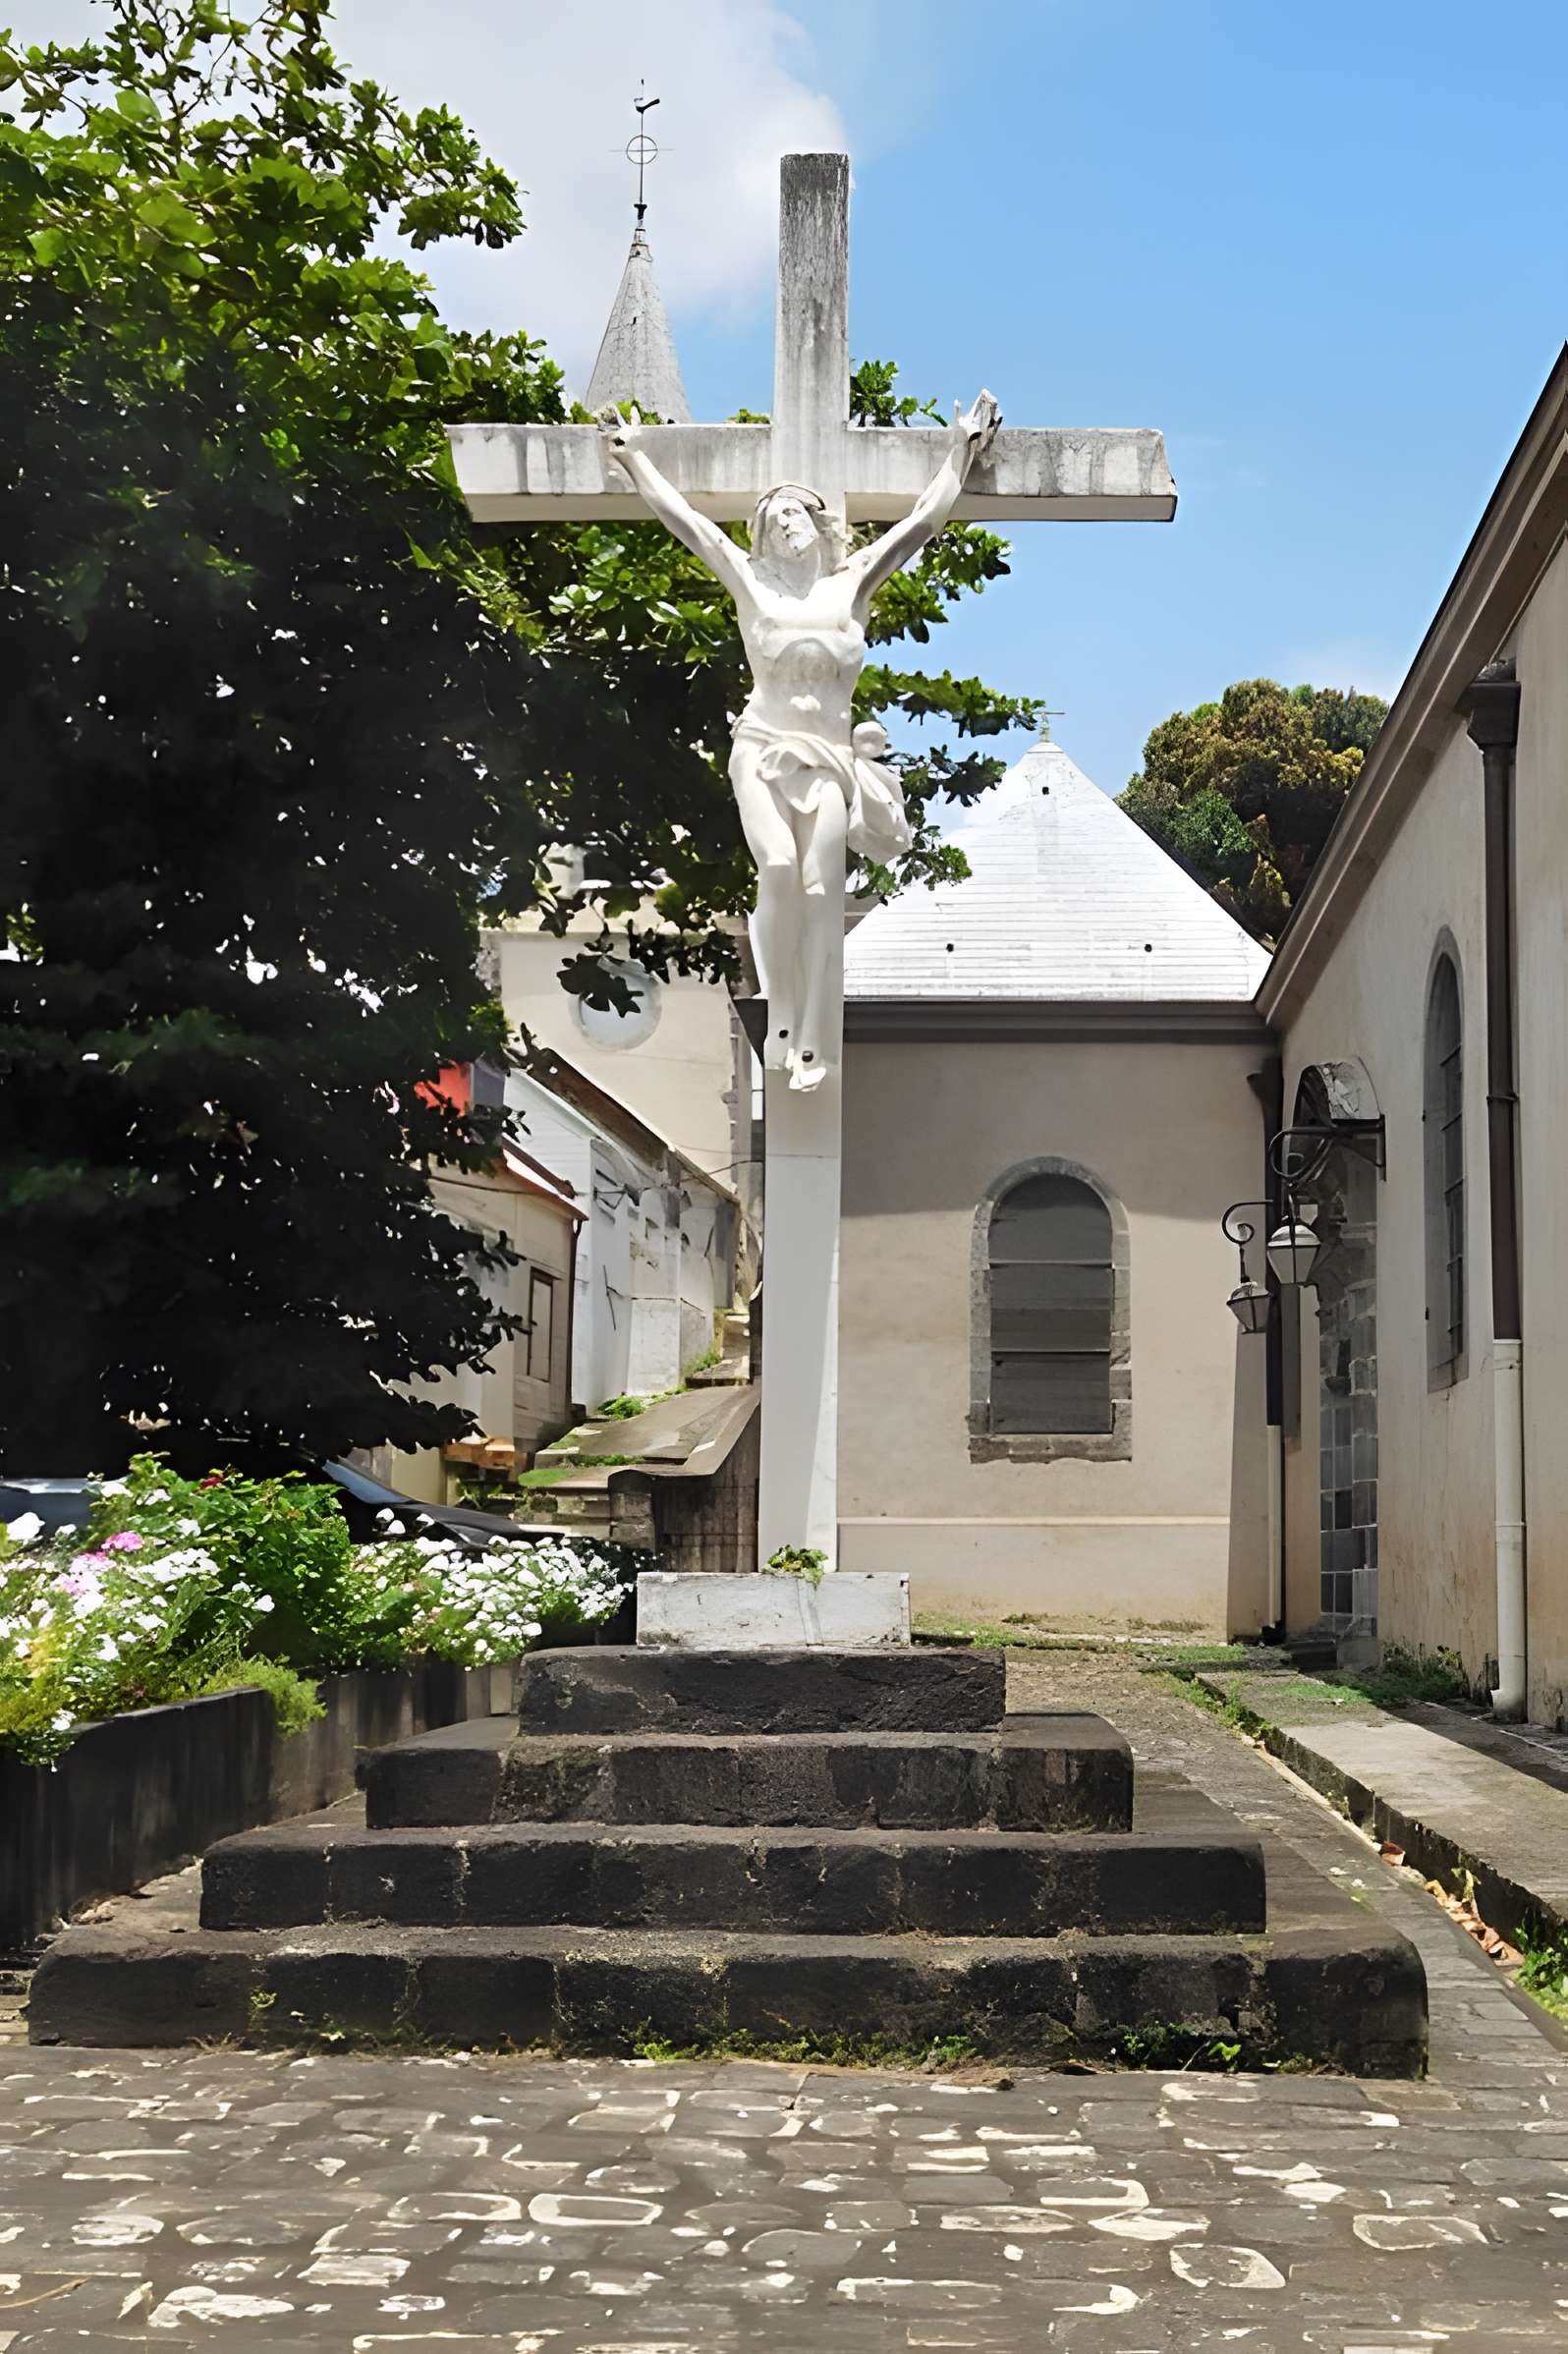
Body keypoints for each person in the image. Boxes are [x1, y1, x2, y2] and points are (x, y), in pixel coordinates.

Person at [597, 391, 1001, 1087]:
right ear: (762, 536)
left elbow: (921, 524)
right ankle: (781, 1010)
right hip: (762, 746)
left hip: (827, 760)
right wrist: (636, 459)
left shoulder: (852, 583)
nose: (787, 525)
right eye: (775, 518)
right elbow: (688, 524)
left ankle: (814, 1030)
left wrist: (959, 450)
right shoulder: (751, 585)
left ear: (818, 521)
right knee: (778, 869)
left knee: (821, 886)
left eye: (795, 513)